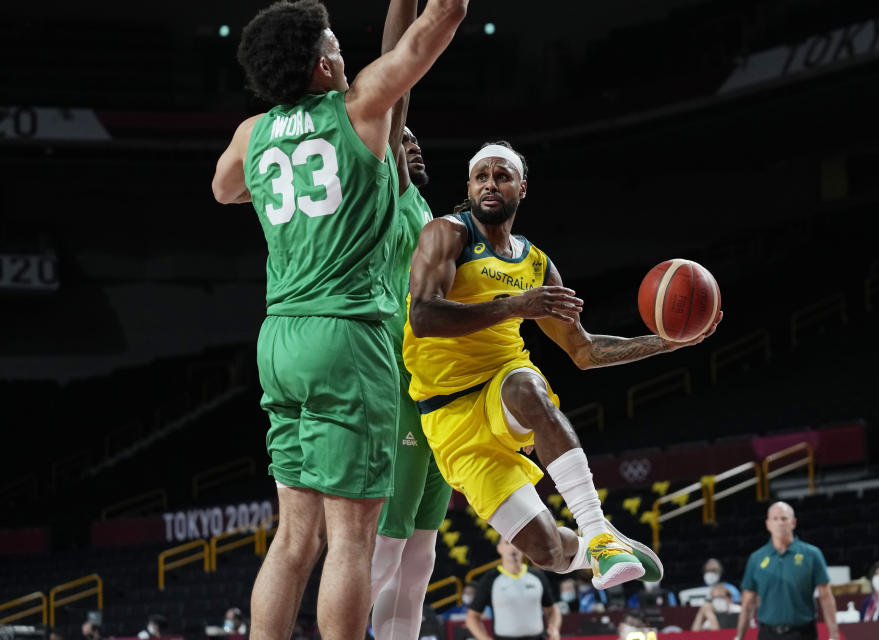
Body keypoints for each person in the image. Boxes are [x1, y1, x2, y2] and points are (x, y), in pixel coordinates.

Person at [210, 1, 468, 639]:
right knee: (351, 541)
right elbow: (447, 14)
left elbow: (224, 188)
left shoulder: (252, 133)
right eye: (337, 47)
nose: (347, 56)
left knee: (294, 539)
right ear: (324, 63)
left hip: (279, 339)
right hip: (345, 336)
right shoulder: (360, 109)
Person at [402, 140, 721, 589]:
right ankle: (594, 548)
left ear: (522, 188)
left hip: (501, 381)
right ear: (470, 186)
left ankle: (599, 532)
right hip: (447, 416)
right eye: (481, 176)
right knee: (547, 552)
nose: (490, 183)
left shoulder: (537, 265)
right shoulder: (447, 234)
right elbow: (424, 316)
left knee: (526, 388)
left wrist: (663, 344)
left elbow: (584, 351)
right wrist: (516, 305)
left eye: (502, 175)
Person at [368, 3, 453, 640]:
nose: (413, 142)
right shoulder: (384, 188)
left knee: (422, 552)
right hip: (396, 381)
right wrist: (404, 5)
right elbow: (396, 83)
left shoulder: (424, 207)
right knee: (388, 544)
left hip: (436, 389)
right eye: (404, 138)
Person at [733, 502, 839, 640]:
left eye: (784, 518)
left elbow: (826, 596)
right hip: (767, 634)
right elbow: (747, 603)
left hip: (803, 633)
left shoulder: (812, 554)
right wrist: (739, 637)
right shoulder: (756, 558)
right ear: (768, 524)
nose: (780, 523)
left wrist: (834, 634)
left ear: (793, 522)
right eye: (775, 519)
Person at [466, 537, 562, 640]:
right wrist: (484, 638)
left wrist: (554, 629)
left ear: (523, 548)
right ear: (499, 548)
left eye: (516, 544)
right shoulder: (490, 579)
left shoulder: (537, 576)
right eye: (507, 543)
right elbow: (472, 617)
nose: (513, 548)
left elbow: (552, 609)